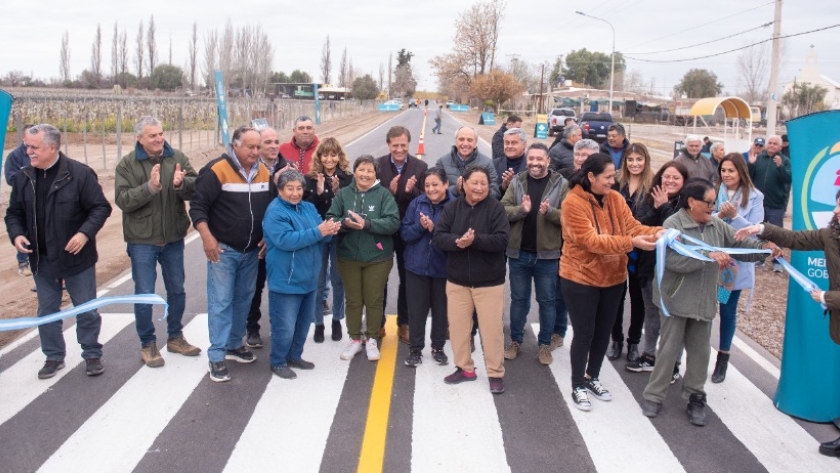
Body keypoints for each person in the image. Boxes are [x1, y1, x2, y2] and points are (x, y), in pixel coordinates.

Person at [641, 179, 777, 426]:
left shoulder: (717, 225)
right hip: (675, 300)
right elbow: (673, 262)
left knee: (701, 352)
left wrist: (765, 249)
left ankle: (695, 396)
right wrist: (708, 256)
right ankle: (654, 395)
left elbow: (740, 243)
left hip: (704, 301)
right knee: (668, 350)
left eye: (714, 202)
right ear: (692, 202)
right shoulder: (673, 225)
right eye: (709, 202)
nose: (713, 207)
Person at [734, 190, 840, 456]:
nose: (836, 211)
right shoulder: (831, 235)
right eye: (837, 205)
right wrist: (762, 228)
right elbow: (795, 239)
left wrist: (827, 296)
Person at [5, 124, 112, 379]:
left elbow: (100, 208)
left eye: (34, 147)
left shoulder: (80, 174)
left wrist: (84, 233)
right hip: (42, 260)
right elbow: (14, 213)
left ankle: (92, 354)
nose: (28, 152)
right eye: (26, 146)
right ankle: (53, 356)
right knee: (46, 311)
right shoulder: (23, 178)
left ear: (52, 147)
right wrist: (17, 234)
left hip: (77, 258)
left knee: (86, 308)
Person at [560, 153, 664, 411]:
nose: (612, 181)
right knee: (584, 334)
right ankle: (577, 385)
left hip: (613, 279)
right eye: (607, 177)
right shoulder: (573, 202)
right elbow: (591, 241)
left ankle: (592, 377)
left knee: (603, 333)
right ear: (591, 177)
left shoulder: (616, 199)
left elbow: (633, 227)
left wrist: (661, 232)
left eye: (613, 177)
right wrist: (631, 243)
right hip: (580, 278)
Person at [115, 116, 201, 368]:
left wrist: (181, 183)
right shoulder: (127, 165)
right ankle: (148, 343)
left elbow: (196, 187)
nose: (159, 138)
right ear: (139, 138)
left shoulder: (177, 158)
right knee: (145, 293)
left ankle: (175, 337)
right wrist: (150, 188)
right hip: (142, 240)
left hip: (173, 237)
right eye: (152, 135)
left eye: (161, 133)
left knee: (177, 290)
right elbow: (122, 200)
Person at [189, 126, 274, 383]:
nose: (256, 152)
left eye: (258, 147)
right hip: (224, 251)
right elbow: (197, 207)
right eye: (251, 147)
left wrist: (266, 235)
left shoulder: (263, 172)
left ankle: (234, 344)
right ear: (235, 145)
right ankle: (216, 356)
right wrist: (207, 238)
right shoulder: (216, 170)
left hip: (251, 252)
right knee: (221, 302)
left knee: (243, 300)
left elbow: (271, 207)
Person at [433, 165, 510, 394]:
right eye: (474, 183)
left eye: (483, 184)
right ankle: (465, 368)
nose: (478, 187)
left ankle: (495, 373)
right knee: (458, 329)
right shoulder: (453, 208)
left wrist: (474, 241)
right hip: (457, 282)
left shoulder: (496, 209)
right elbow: (438, 237)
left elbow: (502, 240)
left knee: (492, 331)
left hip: (489, 283)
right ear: (463, 184)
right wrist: (458, 242)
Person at [263, 170, 341, 379]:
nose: (295, 193)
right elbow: (286, 240)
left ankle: (294, 355)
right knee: (284, 326)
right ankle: (278, 361)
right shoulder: (275, 212)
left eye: (299, 188)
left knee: (303, 323)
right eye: (290, 188)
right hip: (286, 280)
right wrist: (319, 232)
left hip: (309, 278)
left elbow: (320, 235)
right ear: (280, 190)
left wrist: (330, 231)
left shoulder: (308, 207)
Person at [327, 155, 400, 361]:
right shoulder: (343, 195)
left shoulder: (384, 195)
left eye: (370, 170)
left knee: (374, 299)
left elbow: (393, 222)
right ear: (355, 172)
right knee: (353, 300)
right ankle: (355, 339)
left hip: (378, 257)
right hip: (348, 256)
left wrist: (367, 224)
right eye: (361, 169)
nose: (365, 174)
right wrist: (345, 223)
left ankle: (372, 339)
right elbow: (330, 217)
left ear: (376, 174)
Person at [501, 143, 568, 365]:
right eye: (531, 159)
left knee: (547, 301)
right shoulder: (517, 181)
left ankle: (545, 345)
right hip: (519, 253)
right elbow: (503, 209)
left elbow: (569, 216)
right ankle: (515, 341)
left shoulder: (561, 183)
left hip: (547, 255)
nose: (535, 163)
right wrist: (522, 210)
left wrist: (549, 212)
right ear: (527, 160)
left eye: (540, 159)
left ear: (548, 161)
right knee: (518, 300)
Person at [625, 160, 690, 379]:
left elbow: (677, 231)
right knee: (651, 314)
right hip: (649, 266)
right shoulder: (651, 197)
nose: (670, 181)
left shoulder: (689, 202)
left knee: (672, 318)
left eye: (675, 178)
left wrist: (664, 208)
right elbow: (640, 223)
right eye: (666, 176)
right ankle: (649, 354)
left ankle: (673, 363)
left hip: (675, 271)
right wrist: (656, 207)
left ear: (684, 181)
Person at [710, 153, 764, 383]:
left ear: (741, 172)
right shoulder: (714, 192)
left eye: (731, 170)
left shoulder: (755, 196)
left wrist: (736, 217)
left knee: (727, 309)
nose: (726, 174)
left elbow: (757, 229)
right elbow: (702, 220)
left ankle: (723, 356)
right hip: (712, 261)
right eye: (723, 170)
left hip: (734, 267)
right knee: (703, 308)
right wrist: (720, 215)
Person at [376, 126, 428, 344]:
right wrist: (388, 191)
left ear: (409, 144)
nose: (399, 149)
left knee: (408, 279)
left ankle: (404, 324)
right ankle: (376, 324)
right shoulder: (377, 165)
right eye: (395, 145)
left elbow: (427, 198)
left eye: (403, 145)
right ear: (388, 145)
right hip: (383, 232)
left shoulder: (420, 166)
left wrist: (410, 192)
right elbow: (368, 197)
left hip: (409, 233)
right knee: (379, 279)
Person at [245, 127, 295, 349]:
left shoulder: (289, 168)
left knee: (280, 287)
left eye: (276, 141)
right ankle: (252, 328)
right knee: (254, 287)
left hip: (279, 240)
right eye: (267, 142)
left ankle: (279, 326)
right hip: (256, 241)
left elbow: (294, 201)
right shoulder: (249, 170)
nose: (273, 146)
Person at [607, 143, 655, 363]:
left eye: (639, 159)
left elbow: (655, 216)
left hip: (642, 250)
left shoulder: (653, 185)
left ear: (645, 161)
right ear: (625, 161)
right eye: (631, 160)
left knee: (639, 299)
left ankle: (633, 342)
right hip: (618, 247)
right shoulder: (615, 182)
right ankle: (615, 338)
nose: (635, 164)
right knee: (616, 296)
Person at [401, 167, 453, 367]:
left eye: (435, 185)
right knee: (417, 311)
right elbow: (405, 233)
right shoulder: (417, 203)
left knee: (441, 311)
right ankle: (415, 349)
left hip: (443, 269)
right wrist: (420, 227)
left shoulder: (454, 206)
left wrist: (434, 229)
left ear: (446, 184)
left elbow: (455, 238)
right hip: (416, 268)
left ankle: (438, 347)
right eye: (427, 185)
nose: (431, 189)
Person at [305, 137, 353, 343]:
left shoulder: (348, 179)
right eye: (325, 155)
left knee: (338, 280)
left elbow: (350, 207)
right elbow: (308, 209)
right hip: (319, 234)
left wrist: (337, 193)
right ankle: (318, 323)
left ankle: (336, 320)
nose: (329, 159)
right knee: (318, 280)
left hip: (340, 235)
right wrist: (319, 193)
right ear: (320, 157)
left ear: (339, 156)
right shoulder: (311, 178)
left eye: (333, 155)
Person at [747, 134, 791, 273]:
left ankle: (777, 261)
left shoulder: (785, 161)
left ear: (780, 146)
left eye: (774, 143)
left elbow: (788, 179)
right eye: (770, 143)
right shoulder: (759, 158)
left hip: (776, 204)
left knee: (777, 233)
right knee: (759, 232)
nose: (771, 145)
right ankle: (759, 257)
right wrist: (751, 164)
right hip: (758, 204)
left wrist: (780, 167)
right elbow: (749, 177)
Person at [436, 126, 500, 199]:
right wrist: (456, 190)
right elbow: (436, 191)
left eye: (469, 140)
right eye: (461, 139)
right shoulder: (442, 162)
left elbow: (495, 193)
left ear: (475, 143)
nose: (465, 143)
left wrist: (475, 191)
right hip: (449, 208)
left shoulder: (487, 163)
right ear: (456, 141)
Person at [5, 124, 34, 277]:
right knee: (22, 228)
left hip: (42, 198)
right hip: (23, 199)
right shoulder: (15, 156)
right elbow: (10, 178)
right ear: (23, 137)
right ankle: (23, 262)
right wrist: (27, 176)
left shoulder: (42, 152)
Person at [493, 127, 528, 196]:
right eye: (507, 143)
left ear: (524, 145)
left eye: (514, 143)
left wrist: (514, 186)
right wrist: (503, 187)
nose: (509, 146)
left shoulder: (531, 167)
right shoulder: (494, 164)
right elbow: (489, 193)